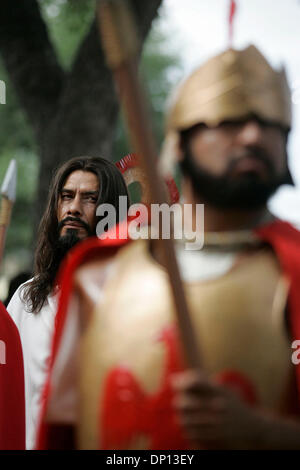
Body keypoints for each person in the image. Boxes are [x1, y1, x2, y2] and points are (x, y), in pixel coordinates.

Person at [37, 45, 300, 449]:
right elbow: (66, 430)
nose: (253, 135)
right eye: (229, 120)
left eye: (271, 123)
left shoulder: (294, 271)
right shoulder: (101, 270)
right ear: (179, 143)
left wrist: (265, 433)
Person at [7, 155, 129, 450]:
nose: (74, 208)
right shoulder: (27, 298)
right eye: (66, 197)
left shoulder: (131, 301)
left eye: (90, 199)